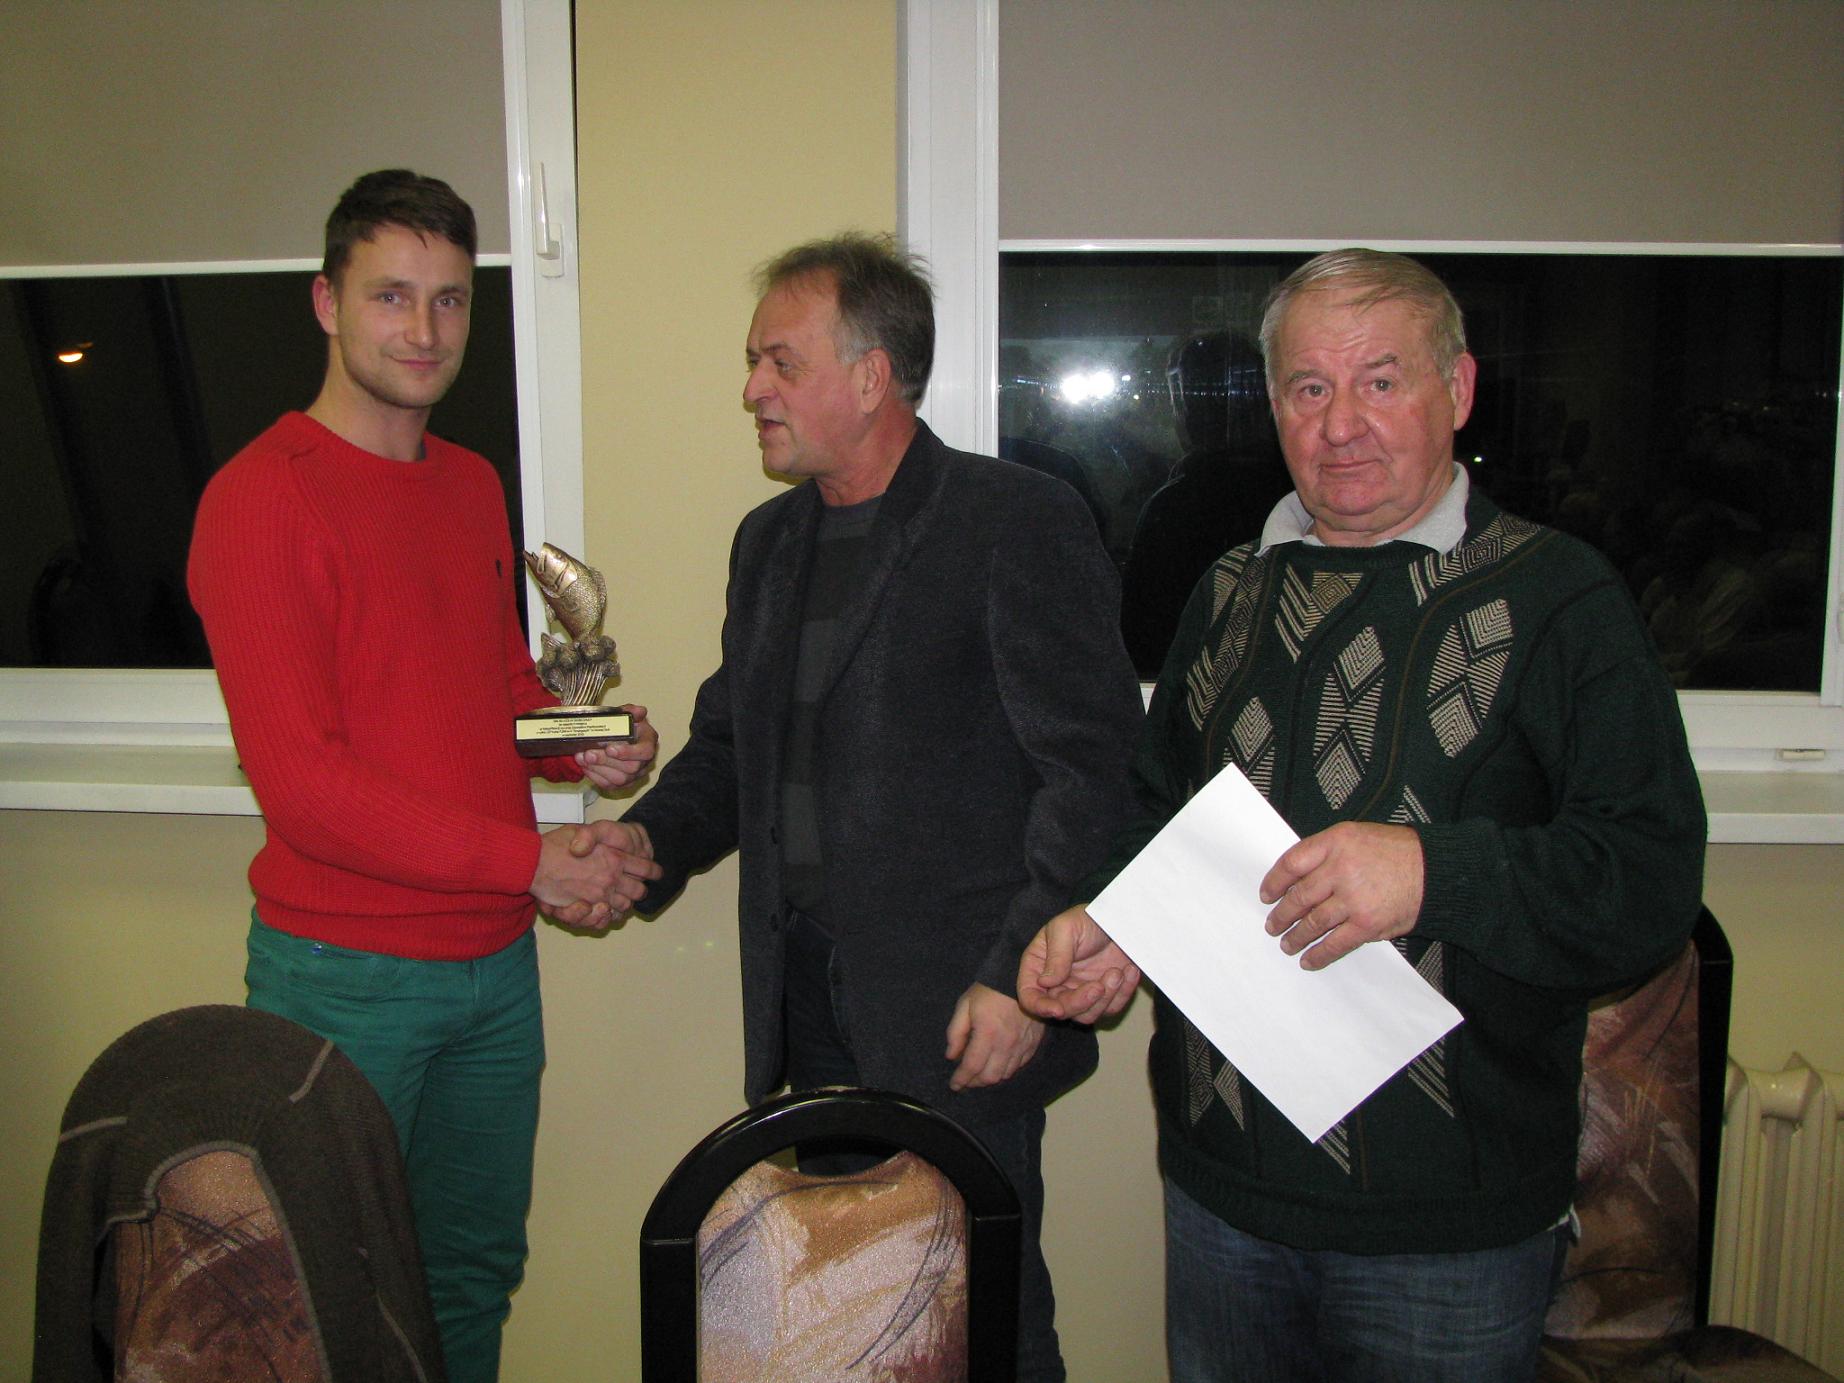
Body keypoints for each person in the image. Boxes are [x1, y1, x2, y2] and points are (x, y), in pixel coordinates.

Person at [1018, 248, 1706, 1383]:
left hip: (1449, 1234)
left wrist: (1433, 876)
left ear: (1458, 390)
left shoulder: (1561, 598)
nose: (1340, 424)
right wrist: (1117, 925)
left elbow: (1647, 882)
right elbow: (1153, 811)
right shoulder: (1225, 591)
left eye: (1380, 381)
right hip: (1222, 1198)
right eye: (1309, 387)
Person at [613, 232, 1143, 1382]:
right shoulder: (766, 544)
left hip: (965, 1014)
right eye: (752, 362)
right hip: (807, 1010)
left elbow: (1092, 771)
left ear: (870, 377)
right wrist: (643, 842)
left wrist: (1017, 976)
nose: (752, 390)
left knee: (986, 1323)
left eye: (779, 362)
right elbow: (730, 748)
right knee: (848, 1318)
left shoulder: (1012, 519)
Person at [187, 169, 661, 1383]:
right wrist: (531, 862)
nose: (423, 330)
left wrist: (589, 741)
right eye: (390, 295)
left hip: (493, 972)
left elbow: (497, 694)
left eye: (449, 300)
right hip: (344, 979)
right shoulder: (259, 500)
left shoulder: (468, 484)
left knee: (467, 1277)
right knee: (318, 1298)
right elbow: (305, 788)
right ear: (326, 304)